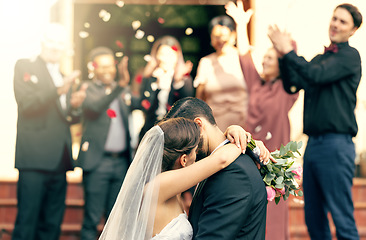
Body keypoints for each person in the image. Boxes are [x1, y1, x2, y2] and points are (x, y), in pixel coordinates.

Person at [268, 3, 362, 240]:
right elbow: (293, 84)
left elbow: (315, 74)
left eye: (343, 22)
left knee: (342, 217)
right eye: (334, 18)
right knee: (313, 217)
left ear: (353, 30)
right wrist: (283, 56)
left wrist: (289, 51)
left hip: (336, 144)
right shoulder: (321, 58)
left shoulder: (350, 56)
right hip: (314, 146)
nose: (335, 24)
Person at [99, 117, 266, 239]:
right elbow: (220, 160)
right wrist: (242, 139)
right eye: (196, 150)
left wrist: (233, 130)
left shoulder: (166, 187)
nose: (200, 154)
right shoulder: (160, 185)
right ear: (184, 159)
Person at [225, 1, 299, 239]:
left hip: (276, 163)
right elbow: (245, 56)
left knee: (275, 216)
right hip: (252, 158)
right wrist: (240, 24)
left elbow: (293, 63)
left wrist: (284, 45)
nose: (265, 61)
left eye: (270, 58)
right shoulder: (256, 84)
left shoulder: (288, 90)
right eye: (265, 57)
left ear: (282, 65)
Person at [12, 22, 87, 240]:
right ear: (43, 41)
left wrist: (74, 106)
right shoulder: (25, 66)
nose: (55, 47)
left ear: (65, 47)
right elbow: (26, 104)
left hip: (60, 160)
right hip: (34, 159)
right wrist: (59, 89)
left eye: (60, 43)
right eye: (51, 41)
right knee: (27, 223)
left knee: (52, 225)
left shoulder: (65, 75)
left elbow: (68, 119)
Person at [164, 97, 270, 239]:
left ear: (198, 125)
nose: (183, 150)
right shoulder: (211, 164)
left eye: (184, 138)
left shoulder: (234, 174)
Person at [77, 47, 132, 240]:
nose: (109, 70)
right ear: (94, 68)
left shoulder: (123, 90)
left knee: (116, 219)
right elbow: (94, 108)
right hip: (97, 162)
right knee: (91, 219)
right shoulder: (86, 88)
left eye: (111, 66)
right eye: (103, 66)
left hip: (121, 163)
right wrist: (118, 88)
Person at [194, 14, 248, 132]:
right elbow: (199, 98)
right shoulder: (206, 62)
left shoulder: (244, 59)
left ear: (233, 35)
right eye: (216, 36)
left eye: (224, 36)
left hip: (244, 125)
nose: (220, 40)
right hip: (215, 127)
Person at [138, 35, 194, 141]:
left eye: (170, 55)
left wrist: (177, 82)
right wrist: (155, 85)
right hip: (151, 130)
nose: (165, 59)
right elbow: (144, 105)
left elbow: (186, 108)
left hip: (175, 134)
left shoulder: (184, 79)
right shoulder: (151, 77)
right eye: (162, 54)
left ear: (177, 57)